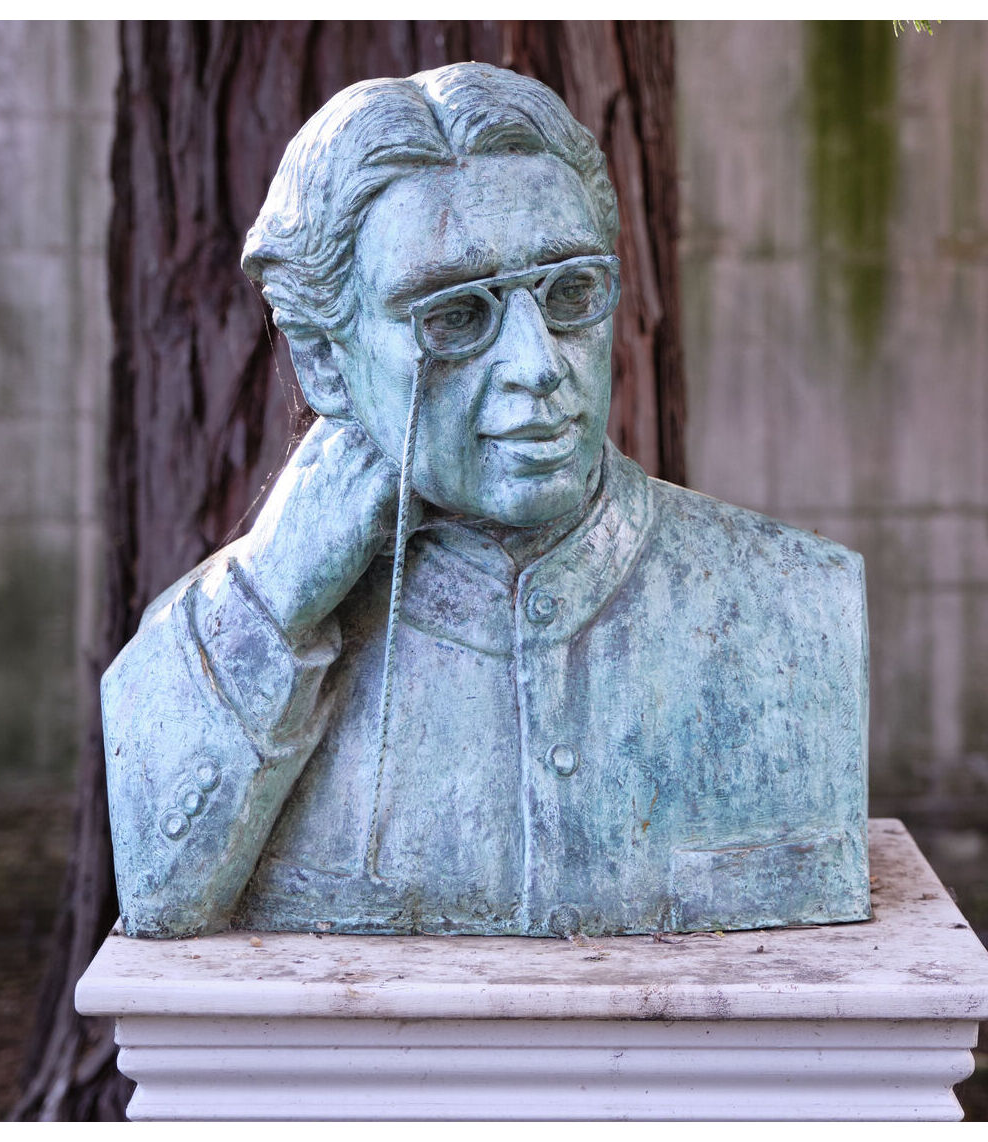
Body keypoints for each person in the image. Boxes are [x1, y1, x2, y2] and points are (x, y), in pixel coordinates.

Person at [102, 63, 869, 939]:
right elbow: (162, 900)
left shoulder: (796, 605)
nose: (539, 364)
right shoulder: (218, 646)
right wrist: (273, 613)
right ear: (323, 360)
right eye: (454, 317)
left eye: (570, 293)